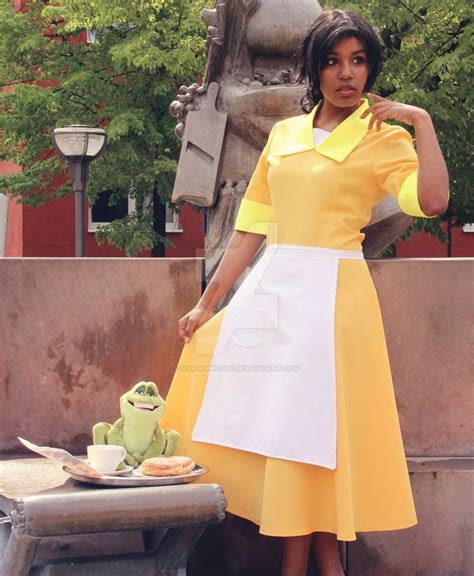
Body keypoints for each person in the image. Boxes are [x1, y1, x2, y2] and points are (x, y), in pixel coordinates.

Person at [159, 9, 449, 576]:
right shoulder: (285, 136)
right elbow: (249, 229)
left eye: (359, 61)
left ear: (371, 69)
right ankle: (308, 562)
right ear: (313, 69)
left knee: (318, 429)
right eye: (334, 61)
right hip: (275, 288)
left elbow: (432, 203)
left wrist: (423, 121)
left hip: (335, 297)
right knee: (274, 422)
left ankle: (311, 565)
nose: (348, 74)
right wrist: (206, 303)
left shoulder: (383, 138)